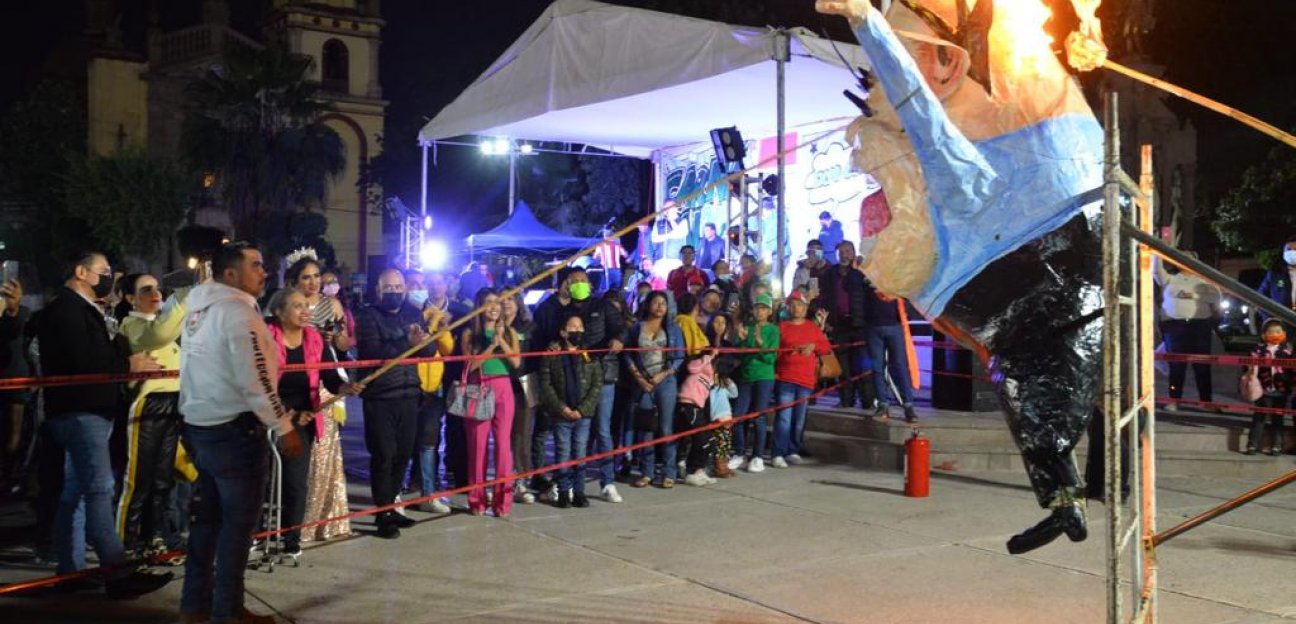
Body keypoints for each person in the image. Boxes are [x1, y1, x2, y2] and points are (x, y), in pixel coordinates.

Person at [179, 242, 307, 622]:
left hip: (202, 426)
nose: (264, 271)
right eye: (256, 265)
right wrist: (283, 426)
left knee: (208, 523)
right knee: (237, 529)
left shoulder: (198, 312)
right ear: (230, 274)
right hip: (233, 432)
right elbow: (256, 378)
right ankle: (227, 612)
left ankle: (194, 604)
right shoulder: (237, 312)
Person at [38, 251, 171, 598]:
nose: (110, 276)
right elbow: (82, 360)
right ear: (81, 272)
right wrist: (128, 362)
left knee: (77, 492)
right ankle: (117, 571)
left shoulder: (79, 309)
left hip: (84, 409)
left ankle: (69, 570)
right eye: (104, 271)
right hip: (81, 411)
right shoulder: (68, 310)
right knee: (99, 489)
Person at [263, 288, 363, 561]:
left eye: (306, 305)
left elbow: (329, 377)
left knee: (296, 482)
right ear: (279, 312)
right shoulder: (263, 337)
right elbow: (258, 383)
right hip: (266, 412)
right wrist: (288, 412)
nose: (304, 311)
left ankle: (290, 538)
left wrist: (345, 386)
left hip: (303, 417)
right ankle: (256, 533)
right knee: (259, 480)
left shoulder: (315, 339)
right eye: (296, 306)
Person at [354, 268, 439, 539]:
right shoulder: (367, 315)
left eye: (398, 286)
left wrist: (422, 343)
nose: (394, 291)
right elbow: (373, 352)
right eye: (388, 287)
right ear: (378, 290)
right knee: (384, 455)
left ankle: (392, 507)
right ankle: (382, 514)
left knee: (403, 454)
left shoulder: (414, 313)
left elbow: (426, 351)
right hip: (381, 396)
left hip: (409, 393)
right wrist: (406, 342)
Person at [114, 273, 192, 560]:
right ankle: (122, 544)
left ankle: (154, 537)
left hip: (172, 404)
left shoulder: (162, 324)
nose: (155, 293)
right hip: (147, 406)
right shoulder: (134, 325)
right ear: (130, 298)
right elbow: (161, 333)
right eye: (145, 290)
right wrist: (185, 297)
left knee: (162, 480)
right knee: (137, 481)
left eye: (157, 288)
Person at [458, 288, 522, 517]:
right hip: (479, 388)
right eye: (488, 302)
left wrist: (501, 341)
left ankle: (502, 502)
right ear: (480, 307)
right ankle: (477, 501)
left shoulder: (510, 332)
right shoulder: (469, 334)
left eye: (497, 302)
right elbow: (470, 366)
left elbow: (515, 362)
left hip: (504, 388)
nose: (494, 307)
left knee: (504, 447)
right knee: (478, 446)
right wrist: (491, 346)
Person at [537, 313, 600, 507]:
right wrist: (561, 408)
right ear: (563, 332)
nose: (577, 330)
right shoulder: (552, 355)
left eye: (580, 327)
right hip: (561, 413)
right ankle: (563, 491)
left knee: (580, 452)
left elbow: (596, 384)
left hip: (583, 414)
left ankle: (579, 491)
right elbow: (546, 385)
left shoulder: (589, 356)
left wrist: (583, 409)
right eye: (573, 327)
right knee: (563, 452)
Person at [624, 291, 684, 488]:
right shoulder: (636, 328)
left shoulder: (673, 329)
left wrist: (663, 374)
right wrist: (639, 377)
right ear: (648, 304)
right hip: (643, 382)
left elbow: (679, 357)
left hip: (665, 382)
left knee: (666, 427)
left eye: (663, 304)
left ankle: (669, 473)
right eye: (656, 302)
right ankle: (647, 472)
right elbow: (628, 355)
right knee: (645, 428)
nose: (660, 306)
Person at [1154, 253, 1222, 411]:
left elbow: (1215, 297)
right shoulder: (1170, 279)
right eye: (1180, 258)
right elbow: (1156, 271)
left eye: (1189, 258)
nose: (1184, 261)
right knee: (1176, 365)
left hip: (1199, 325)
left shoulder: (1204, 279)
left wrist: (1192, 295)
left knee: (1202, 365)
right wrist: (1156, 252)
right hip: (1174, 326)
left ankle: (1206, 402)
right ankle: (1174, 400)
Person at [773, 291, 832, 468]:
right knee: (784, 417)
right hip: (786, 377)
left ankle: (792, 449)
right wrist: (786, 353)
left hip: (805, 380)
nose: (796, 308)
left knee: (799, 418)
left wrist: (814, 345)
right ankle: (778, 452)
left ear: (806, 308)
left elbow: (825, 348)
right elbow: (773, 350)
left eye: (800, 304)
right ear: (788, 307)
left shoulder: (812, 327)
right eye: (793, 304)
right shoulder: (781, 327)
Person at [817, 241, 876, 411]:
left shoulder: (863, 271)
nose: (845, 254)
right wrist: (826, 321)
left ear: (854, 252)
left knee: (864, 365)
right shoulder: (829, 274)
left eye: (848, 251)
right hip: (838, 325)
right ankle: (846, 399)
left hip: (860, 325)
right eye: (841, 251)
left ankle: (867, 401)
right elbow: (824, 298)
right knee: (843, 366)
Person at [731, 293, 779, 473]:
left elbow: (771, 358)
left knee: (759, 416)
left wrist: (761, 345)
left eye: (763, 308)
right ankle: (739, 452)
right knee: (738, 415)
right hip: (746, 376)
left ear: (769, 311)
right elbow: (740, 354)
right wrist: (741, 340)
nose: (759, 311)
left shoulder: (773, 330)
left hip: (764, 377)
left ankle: (757, 455)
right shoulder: (748, 327)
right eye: (757, 308)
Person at [500, 292, 538, 504]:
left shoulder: (529, 327)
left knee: (522, 434)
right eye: (502, 299)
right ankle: (504, 478)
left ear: (518, 303)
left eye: (510, 299)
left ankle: (522, 480)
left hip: (526, 383)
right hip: (501, 383)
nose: (506, 303)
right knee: (503, 435)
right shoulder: (495, 327)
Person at [864, 282, 919, 422]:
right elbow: (857, 294)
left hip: (895, 325)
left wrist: (907, 314)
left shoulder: (894, 275)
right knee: (877, 368)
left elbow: (908, 292)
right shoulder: (866, 273)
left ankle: (908, 406)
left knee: (900, 366)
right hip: (873, 327)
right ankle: (883, 404)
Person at [285, 250, 353, 354]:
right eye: (306, 277)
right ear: (296, 281)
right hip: (299, 362)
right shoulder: (287, 306)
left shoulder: (333, 304)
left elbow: (344, 346)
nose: (313, 282)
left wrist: (335, 334)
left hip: (327, 362)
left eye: (316, 276)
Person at [1243, 320, 1293, 456]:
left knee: (1278, 419)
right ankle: (1252, 445)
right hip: (1262, 390)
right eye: (1270, 332)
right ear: (1264, 334)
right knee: (1259, 418)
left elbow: (1291, 370)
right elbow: (1246, 366)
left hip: (1281, 390)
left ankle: (1277, 446)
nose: (1274, 334)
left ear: (1284, 334)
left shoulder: (1288, 351)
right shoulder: (1257, 350)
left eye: (1278, 332)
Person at [0, 274, 29, 487]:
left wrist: (12, 309)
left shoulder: (20, 312)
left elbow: (14, 329)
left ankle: (10, 474)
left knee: (13, 429)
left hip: (13, 379)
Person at [678, 350, 717, 487]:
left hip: (697, 407)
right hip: (688, 404)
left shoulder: (709, 378)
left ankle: (698, 470)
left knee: (706, 439)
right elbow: (692, 366)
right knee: (702, 438)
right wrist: (707, 357)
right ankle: (692, 471)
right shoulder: (697, 368)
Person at [1257, 237, 1296, 321]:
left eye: (1295, 249)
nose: (1292, 252)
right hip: (1282, 322)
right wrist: (1269, 317)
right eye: (1289, 249)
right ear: (1283, 252)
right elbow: (1260, 296)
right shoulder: (1275, 274)